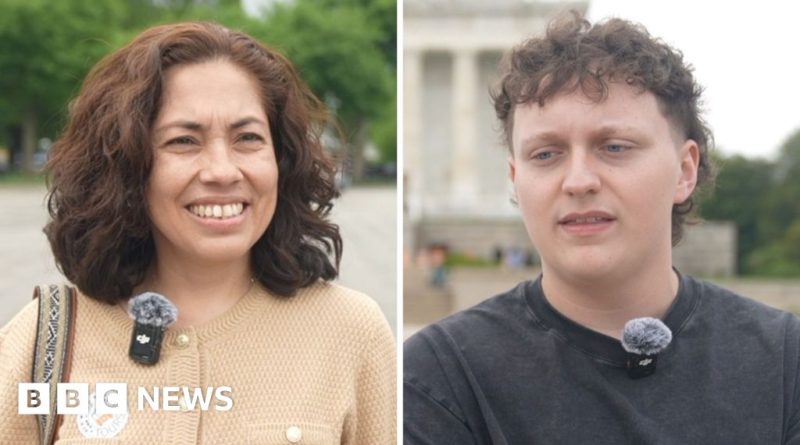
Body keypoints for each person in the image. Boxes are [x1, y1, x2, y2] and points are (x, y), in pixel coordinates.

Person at [404, 13, 800, 444]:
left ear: (685, 171)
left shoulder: (785, 363)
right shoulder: (435, 379)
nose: (578, 181)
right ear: (516, 179)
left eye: (614, 147)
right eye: (545, 155)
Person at [0, 22, 395, 444]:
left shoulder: (352, 332)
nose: (223, 171)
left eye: (248, 138)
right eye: (184, 141)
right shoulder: (44, 340)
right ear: (126, 166)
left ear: (282, 159)